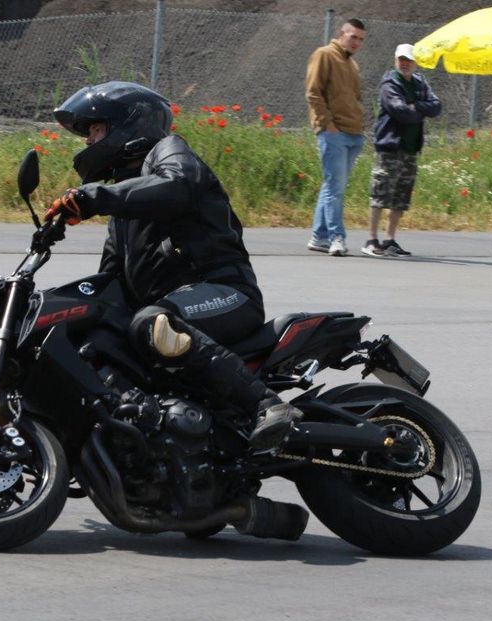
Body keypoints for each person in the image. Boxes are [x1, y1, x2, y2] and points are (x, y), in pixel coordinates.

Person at [45, 81, 300, 450]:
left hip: (227, 293)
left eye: (96, 129)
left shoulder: (170, 153)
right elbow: (109, 282)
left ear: (129, 124)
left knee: (152, 323)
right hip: (173, 307)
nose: (88, 141)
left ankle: (267, 405)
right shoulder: (123, 209)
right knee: (100, 335)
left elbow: (176, 187)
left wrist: (94, 197)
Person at [363, 43, 441, 257]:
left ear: (415, 63)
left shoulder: (420, 83)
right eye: (401, 59)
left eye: (409, 60)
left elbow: (436, 106)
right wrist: (419, 108)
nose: (405, 63)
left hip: (410, 148)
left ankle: (390, 240)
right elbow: (400, 111)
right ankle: (371, 239)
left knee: (401, 196)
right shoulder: (390, 83)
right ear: (395, 60)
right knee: (380, 192)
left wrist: (416, 106)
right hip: (389, 146)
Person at [305, 18, 367, 257]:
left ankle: (318, 237)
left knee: (333, 186)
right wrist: (327, 124)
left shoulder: (353, 64)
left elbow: (356, 98)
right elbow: (313, 92)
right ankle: (336, 238)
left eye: (361, 39)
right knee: (335, 188)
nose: (356, 42)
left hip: (353, 133)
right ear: (342, 33)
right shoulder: (324, 54)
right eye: (353, 37)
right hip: (334, 133)